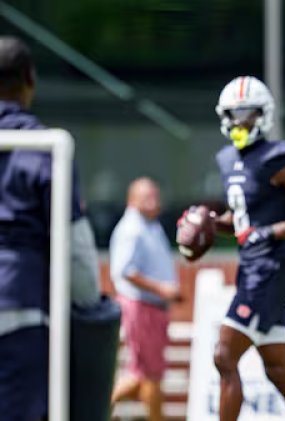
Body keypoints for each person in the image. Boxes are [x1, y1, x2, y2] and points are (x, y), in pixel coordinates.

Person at [205, 76, 285, 421]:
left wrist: (271, 232)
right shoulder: (227, 159)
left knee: (224, 356)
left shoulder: (277, 158)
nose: (239, 121)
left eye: (247, 113)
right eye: (233, 114)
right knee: (277, 370)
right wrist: (213, 222)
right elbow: (245, 218)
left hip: (270, 270)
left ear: (264, 114)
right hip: (251, 270)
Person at [0, 36, 100, 421]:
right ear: (29, 79)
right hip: (19, 307)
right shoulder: (44, 148)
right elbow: (75, 248)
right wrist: (91, 303)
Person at [109, 177, 180, 421]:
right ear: (132, 199)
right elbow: (125, 270)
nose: (154, 202)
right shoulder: (131, 228)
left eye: (156, 196)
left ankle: (95, 409)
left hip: (152, 309)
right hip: (141, 307)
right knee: (149, 376)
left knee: (142, 375)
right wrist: (162, 289)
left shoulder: (150, 224)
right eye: (147, 196)